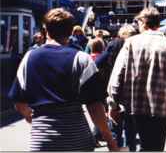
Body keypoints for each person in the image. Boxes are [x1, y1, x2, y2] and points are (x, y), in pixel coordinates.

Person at [8, 8, 118, 151]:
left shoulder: (29, 58)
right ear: (70, 31)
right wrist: (110, 141)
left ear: (45, 29)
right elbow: (95, 107)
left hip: (42, 140)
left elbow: (19, 102)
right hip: (77, 141)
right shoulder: (81, 59)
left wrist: (35, 120)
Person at [108, 7, 166, 151]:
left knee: (139, 145)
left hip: (134, 105)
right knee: (156, 147)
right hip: (161, 107)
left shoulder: (130, 43)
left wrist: (113, 104)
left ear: (143, 23)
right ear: (157, 23)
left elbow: (117, 76)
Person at [95, 24, 137, 151]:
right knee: (131, 129)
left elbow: (97, 63)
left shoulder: (114, 44)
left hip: (114, 88)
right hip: (132, 91)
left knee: (115, 124)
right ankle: (131, 149)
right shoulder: (137, 46)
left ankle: (116, 148)